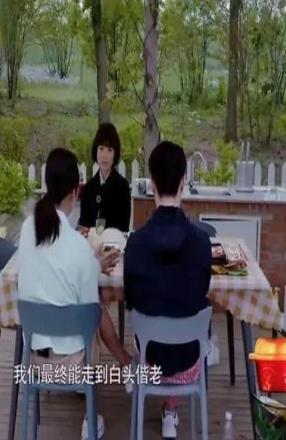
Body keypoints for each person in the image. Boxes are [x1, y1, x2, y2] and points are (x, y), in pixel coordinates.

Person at [18, 148, 131, 439]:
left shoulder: (28, 229)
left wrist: (91, 266)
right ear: (75, 191)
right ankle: (93, 413)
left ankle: (126, 364)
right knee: (95, 312)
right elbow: (91, 311)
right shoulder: (77, 246)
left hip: (33, 362)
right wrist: (93, 269)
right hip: (71, 367)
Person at [124, 141, 211, 439]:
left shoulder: (135, 244)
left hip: (149, 360)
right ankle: (172, 410)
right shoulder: (202, 243)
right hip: (189, 363)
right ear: (183, 182)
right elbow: (200, 295)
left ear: (152, 184)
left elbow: (131, 301)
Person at [78, 123, 131, 233]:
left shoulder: (123, 187)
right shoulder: (88, 188)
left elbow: (124, 227)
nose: (104, 155)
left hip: (114, 242)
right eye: (101, 148)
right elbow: (84, 224)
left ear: (115, 153)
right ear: (96, 150)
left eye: (109, 150)